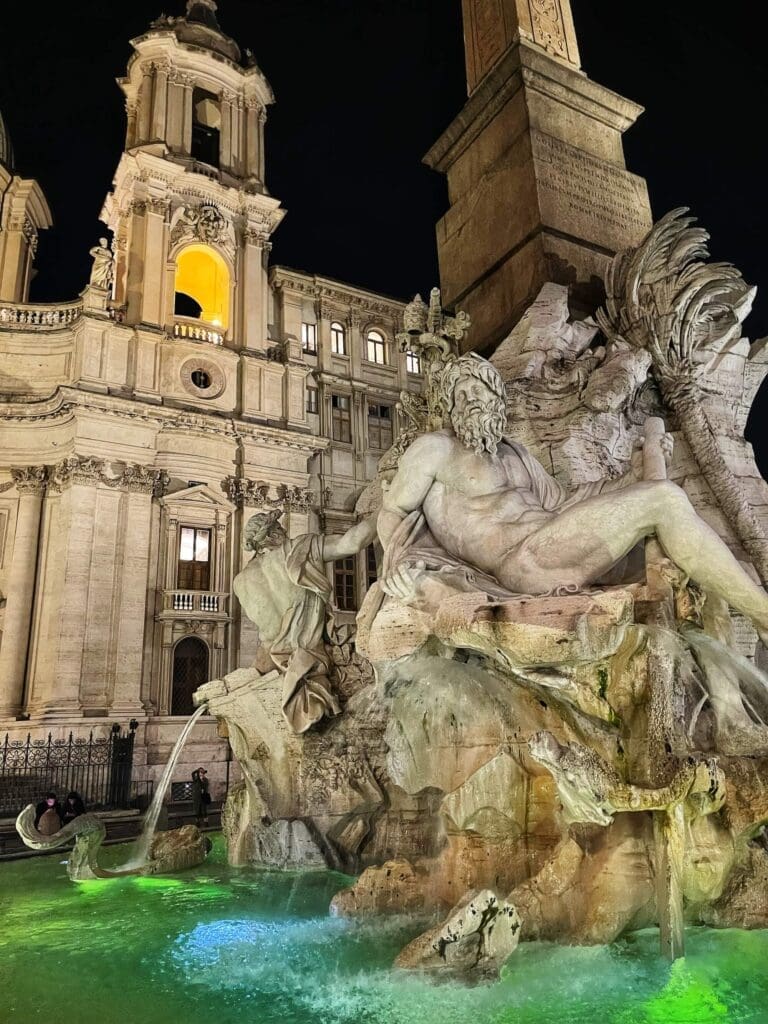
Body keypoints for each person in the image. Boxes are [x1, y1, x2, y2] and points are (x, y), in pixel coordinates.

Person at [377, 353, 768, 644]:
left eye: (479, 388)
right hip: (523, 564)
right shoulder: (435, 449)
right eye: (460, 394)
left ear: (497, 396)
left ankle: (730, 713)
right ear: (449, 407)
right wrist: (399, 563)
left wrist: (631, 476)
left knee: (703, 568)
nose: (471, 399)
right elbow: (393, 508)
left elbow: (566, 503)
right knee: (664, 499)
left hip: (556, 545)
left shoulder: (515, 454)